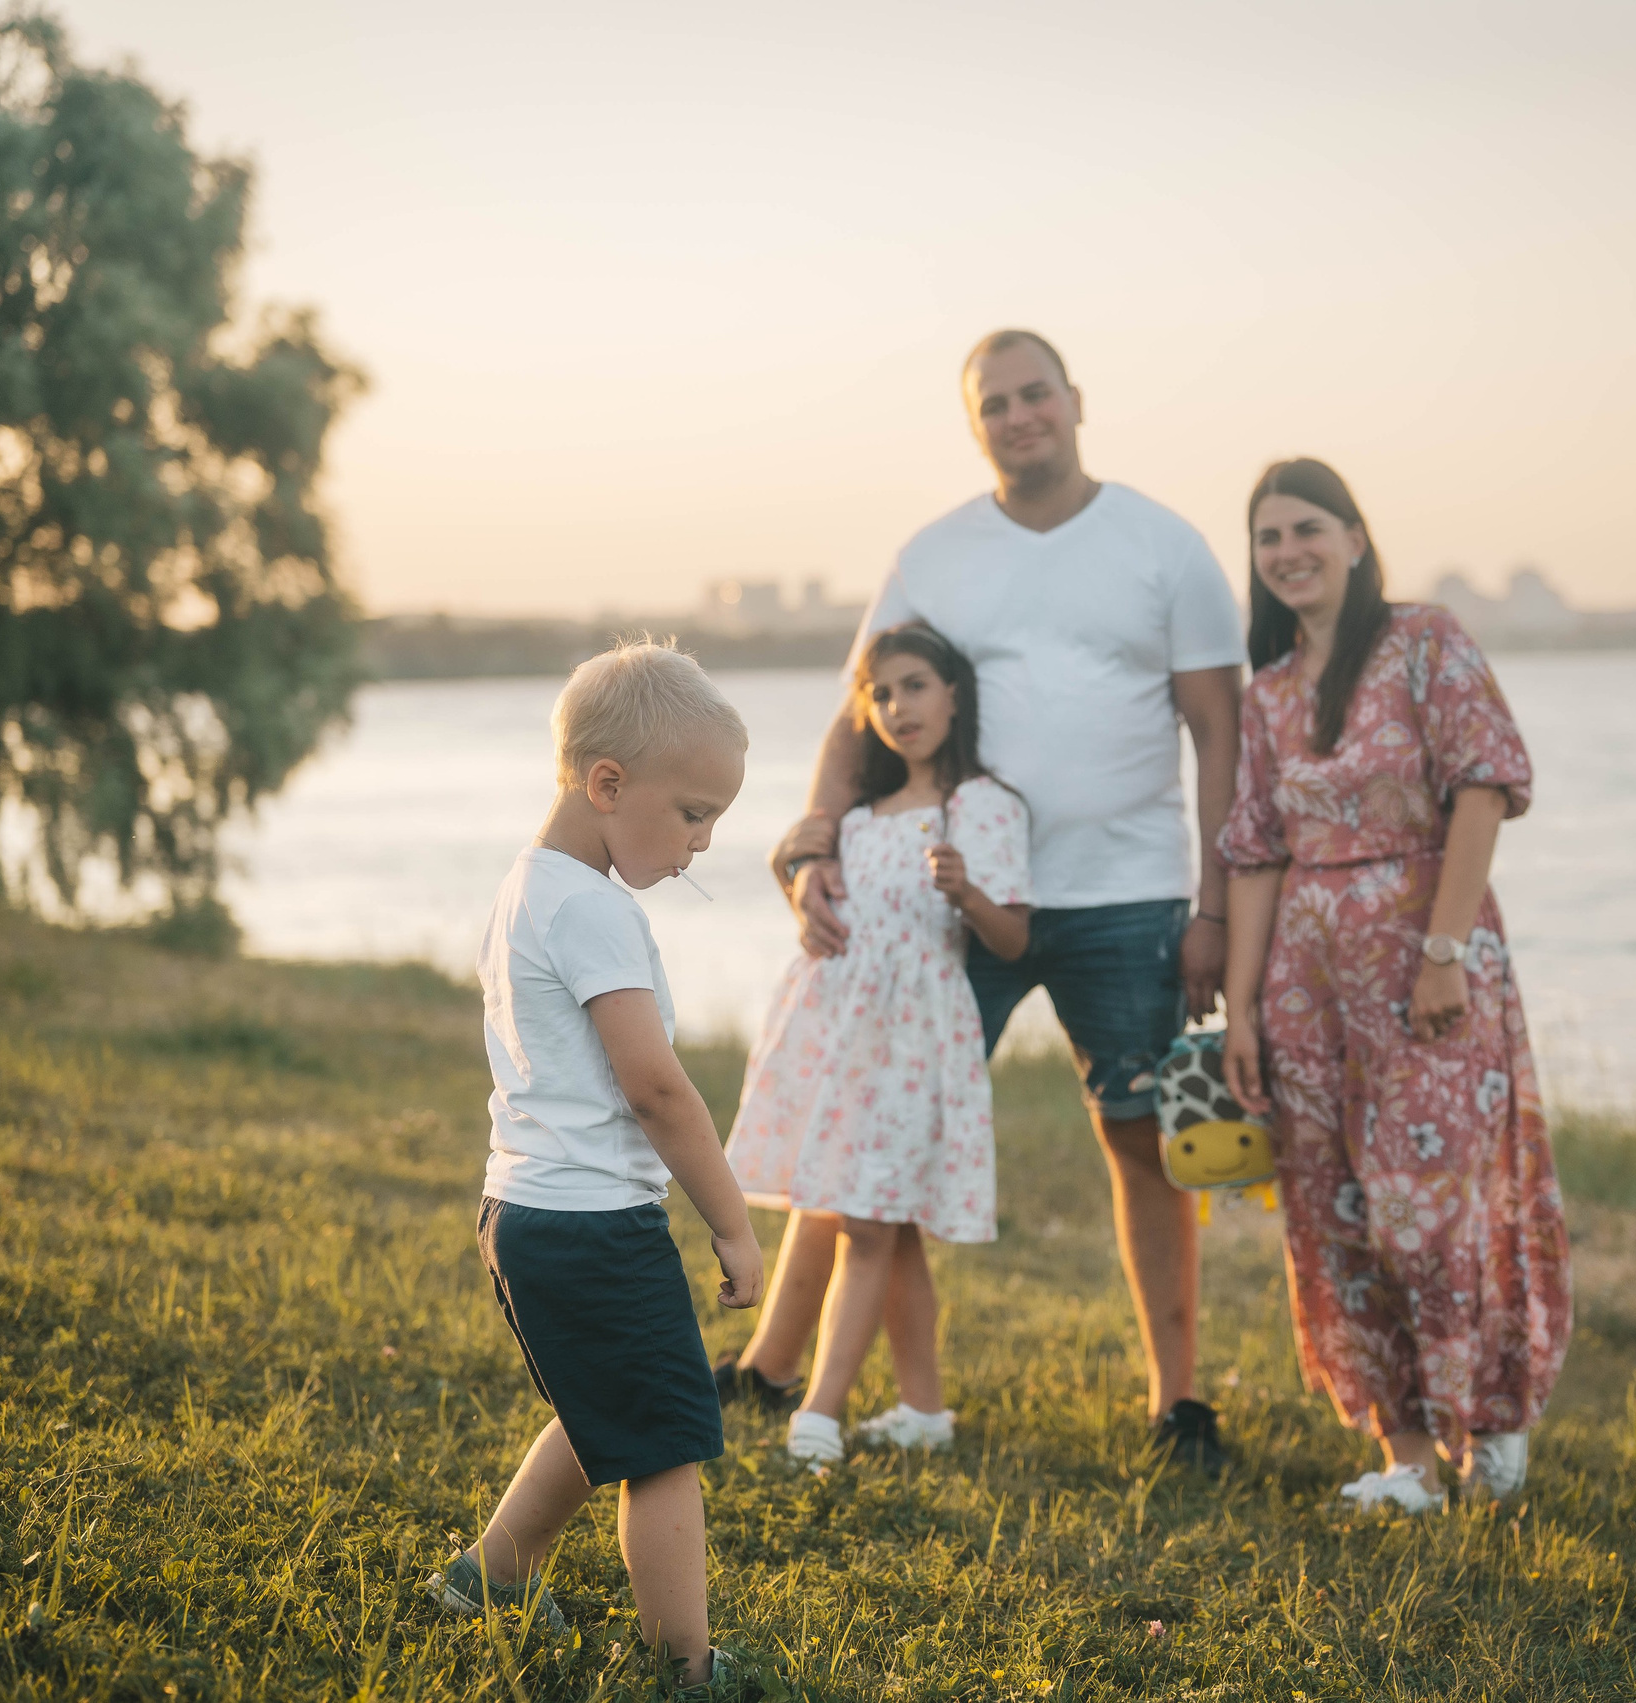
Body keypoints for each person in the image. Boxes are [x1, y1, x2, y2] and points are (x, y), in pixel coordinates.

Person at [754, 330, 1246, 1473]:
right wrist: (814, 838)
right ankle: (772, 1367)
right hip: (941, 904)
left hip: (1126, 893)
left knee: (1141, 1142)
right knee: (859, 1116)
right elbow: (854, 710)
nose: (1021, 416)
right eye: (996, 404)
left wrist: (1215, 902)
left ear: (1076, 400)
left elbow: (1219, 731)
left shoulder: (1163, 545)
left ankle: (1177, 1402)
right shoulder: (934, 553)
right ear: (974, 423)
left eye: (1037, 395)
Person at [1218, 458, 1571, 1516]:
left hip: (1427, 961)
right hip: (1305, 979)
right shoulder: (1269, 692)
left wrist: (1442, 950)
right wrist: (1239, 1008)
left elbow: (1482, 786)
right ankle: (1404, 1451)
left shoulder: (1424, 642)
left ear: (1355, 537)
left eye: (1306, 528)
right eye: (1268, 536)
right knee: (1336, 1209)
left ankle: (1491, 1421)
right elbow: (1254, 854)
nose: (1287, 551)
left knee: (1437, 1203)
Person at [437, 641, 766, 1694]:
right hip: (589, 1223)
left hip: (525, 1210)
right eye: (692, 813)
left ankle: (489, 1575)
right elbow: (656, 1086)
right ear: (607, 783)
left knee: (602, 1410)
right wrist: (731, 1219)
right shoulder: (592, 908)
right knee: (664, 1444)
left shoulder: (527, 888)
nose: (703, 842)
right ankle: (687, 1665)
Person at [723, 623, 1032, 1470]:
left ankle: (818, 1411)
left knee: (866, 1218)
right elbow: (815, 898)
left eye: (916, 685)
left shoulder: (983, 806)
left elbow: (1010, 940)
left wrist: (967, 890)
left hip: (915, 1040)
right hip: (838, 1038)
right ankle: (924, 1409)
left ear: (954, 693)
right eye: (882, 692)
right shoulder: (855, 819)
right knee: (882, 1223)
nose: (899, 706)